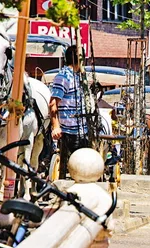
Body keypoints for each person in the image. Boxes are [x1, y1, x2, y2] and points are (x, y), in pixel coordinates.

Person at [49, 45, 88, 179]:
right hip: (69, 130)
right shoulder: (64, 77)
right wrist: (56, 126)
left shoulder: (78, 76)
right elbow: (53, 103)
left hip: (82, 128)